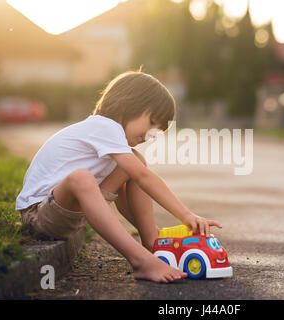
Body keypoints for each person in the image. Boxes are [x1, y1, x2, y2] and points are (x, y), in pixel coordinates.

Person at [16, 71, 222, 283]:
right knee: (85, 177)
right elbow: (143, 177)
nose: (150, 134)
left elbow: (126, 197)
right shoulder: (105, 126)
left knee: (134, 162)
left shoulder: (114, 141)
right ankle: (140, 260)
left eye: (157, 131)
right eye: (151, 122)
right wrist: (186, 215)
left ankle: (152, 240)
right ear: (127, 105)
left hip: (67, 210)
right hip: (40, 212)